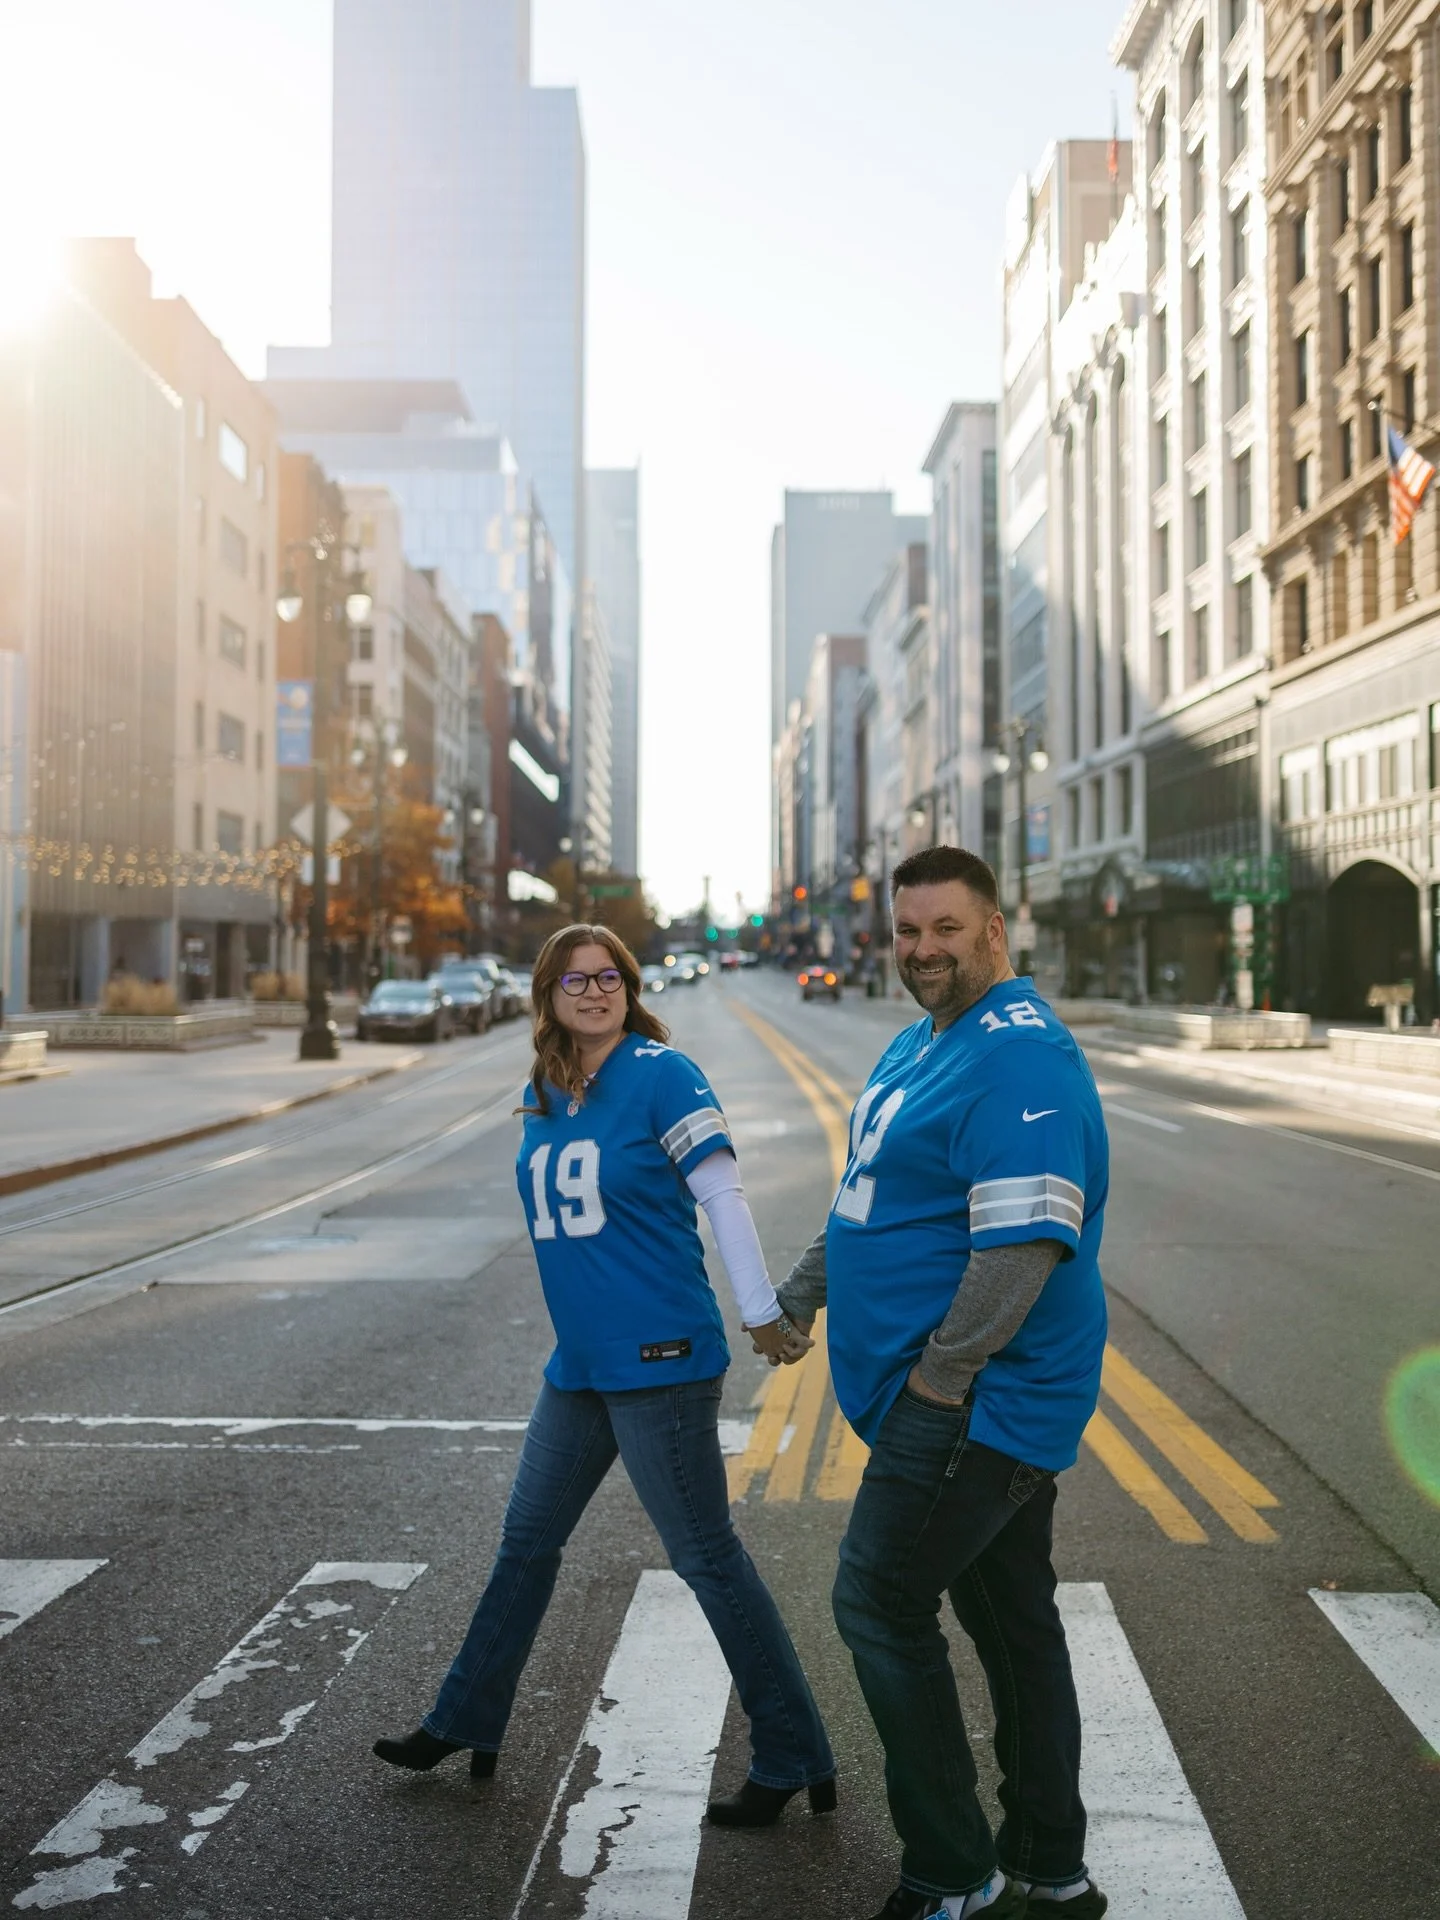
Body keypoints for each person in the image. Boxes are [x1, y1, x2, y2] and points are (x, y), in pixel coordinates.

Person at [374, 922, 837, 1827]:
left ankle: (792, 1751)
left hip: (661, 1358)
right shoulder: (546, 1090)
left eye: (609, 977)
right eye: (575, 980)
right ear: (548, 995)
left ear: (629, 987)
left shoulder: (664, 1073)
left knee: (706, 1557)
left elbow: (722, 1195)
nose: (594, 991)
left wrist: (761, 1312)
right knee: (525, 1544)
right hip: (580, 1364)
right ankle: (467, 1718)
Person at [773, 846, 1110, 1920]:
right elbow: (873, 1198)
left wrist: (934, 1387)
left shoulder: (1019, 1058)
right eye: (909, 931)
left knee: (875, 1600)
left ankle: (948, 1871)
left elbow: (1021, 1251)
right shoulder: (925, 1042)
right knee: (1014, 1625)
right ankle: (1050, 1872)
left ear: (995, 929)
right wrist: (801, 1295)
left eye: (946, 930)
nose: (922, 950)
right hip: (959, 1400)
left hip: (978, 1406)